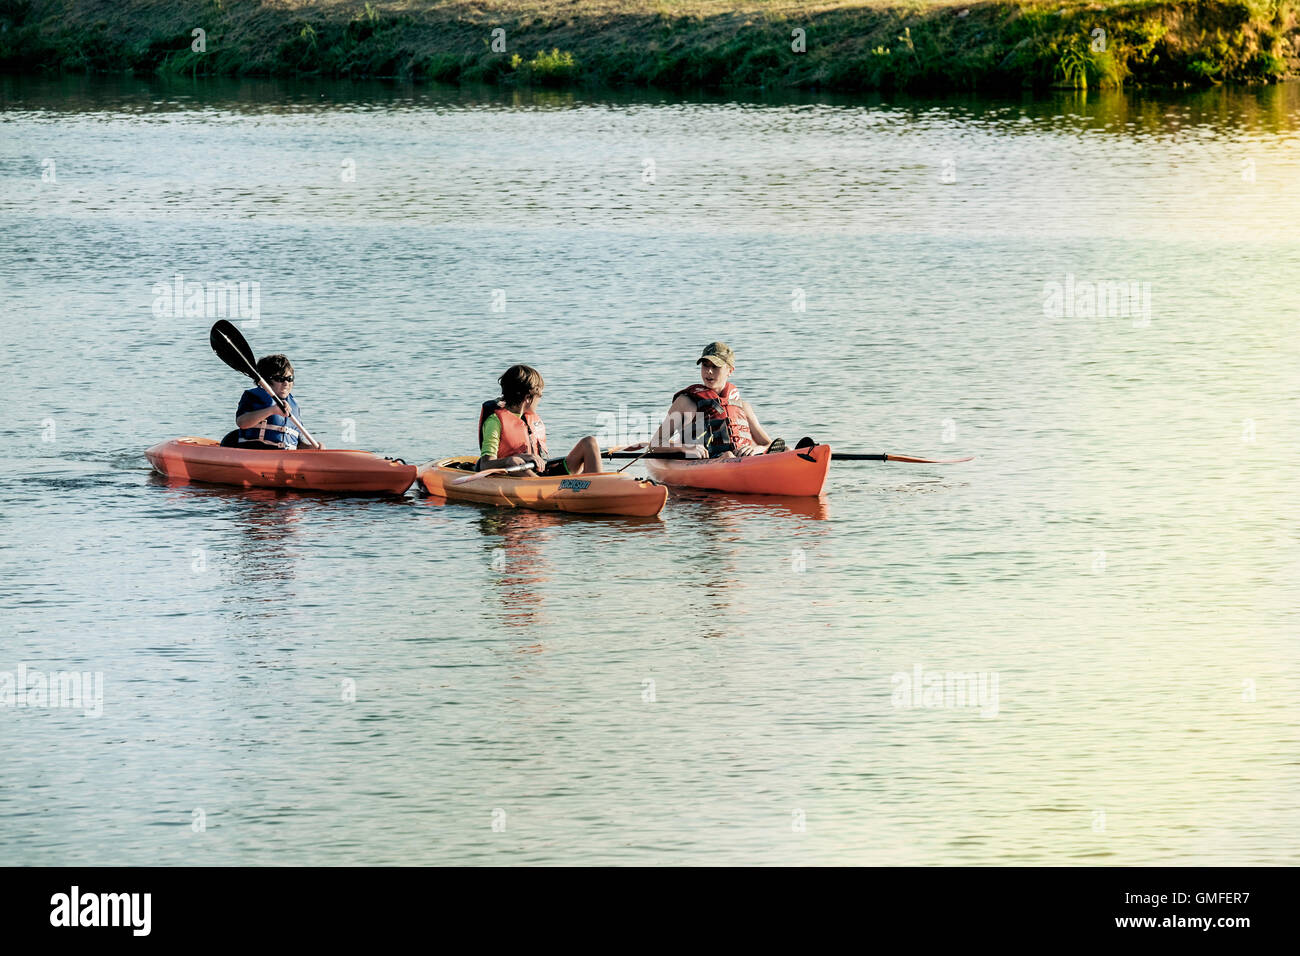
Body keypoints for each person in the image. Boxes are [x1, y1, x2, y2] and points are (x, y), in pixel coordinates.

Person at [645, 342, 783, 458]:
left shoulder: (742, 406)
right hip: (707, 463)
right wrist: (685, 449)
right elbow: (655, 445)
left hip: (742, 460)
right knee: (728, 455)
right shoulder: (685, 403)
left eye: (715, 367)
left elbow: (768, 444)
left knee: (786, 448)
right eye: (705, 365)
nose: (708, 371)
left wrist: (755, 449)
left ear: (730, 370)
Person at [476, 364, 602, 476]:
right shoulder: (495, 421)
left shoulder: (528, 418)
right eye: (539, 396)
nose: (539, 401)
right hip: (516, 475)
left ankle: (597, 486)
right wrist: (511, 459)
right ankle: (547, 491)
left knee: (589, 442)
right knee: (515, 463)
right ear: (528, 398)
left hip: (541, 472)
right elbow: (485, 465)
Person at [229, 354, 322, 450]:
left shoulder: (294, 406)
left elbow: (297, 444)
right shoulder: (254, 397)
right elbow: (242, 422)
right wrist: (272, 410)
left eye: (289, 379)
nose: (286, 383)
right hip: (256, 452)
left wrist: (311, 448)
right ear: (266, 381)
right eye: (280, 379)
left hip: (285, 458)